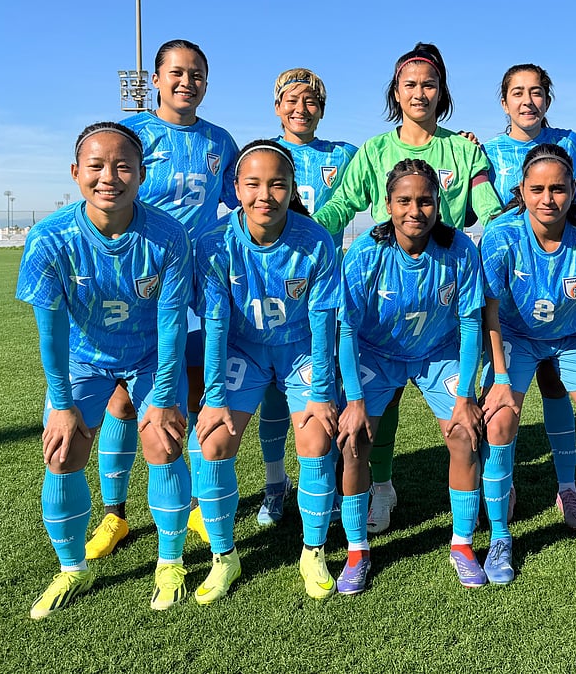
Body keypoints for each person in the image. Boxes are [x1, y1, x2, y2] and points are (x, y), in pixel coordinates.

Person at [312, 43, 502, 535]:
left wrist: (532, 227)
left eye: (429, 85)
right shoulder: (375, 151)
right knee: (379, 406)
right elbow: (341, 206)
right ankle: (380, 487)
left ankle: (489, 491)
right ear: (396, 93)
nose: (420, 93)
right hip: (385, 300)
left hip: (443, 297)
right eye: (410, 85)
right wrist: (306, 233)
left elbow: (491, 210)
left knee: (466, 412)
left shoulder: (465, 149)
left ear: (443, 93)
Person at [17, 122, 194, 618]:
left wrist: (161, 396)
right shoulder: (48, 238)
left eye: (122, 166)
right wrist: (63, 405)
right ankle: (71, 569)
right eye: (95, 166)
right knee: (61, 450)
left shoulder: (168, 235)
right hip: (83, 359)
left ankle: (170, 561)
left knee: (164, 442)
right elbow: (50, 335)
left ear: (142, 174)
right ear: (76, 173)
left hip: (150, 356)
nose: (108, 176)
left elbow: (172, 323)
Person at [86, 39, 240, 559]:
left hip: (196, 285)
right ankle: (115, 515)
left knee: (189, 397)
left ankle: (194, 505)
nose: (187, 81)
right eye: (176, 72)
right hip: (137, 286)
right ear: (154, 79)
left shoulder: (220, 141)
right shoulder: (134, 136)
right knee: (123, 400)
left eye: (197, 73)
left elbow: (239, 202)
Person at [192, 139, 343, 602]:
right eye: (253, 183)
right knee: (213, 440)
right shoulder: (213, 242)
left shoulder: (313, 239)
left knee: (316, 436)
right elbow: (215, 325)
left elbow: (322, 322)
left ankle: (313, 551)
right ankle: (224, 556)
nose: (265, 195)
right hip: (244, 349)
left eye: (277, 183)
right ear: (235, 187)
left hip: (299, 349)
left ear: (292, 186)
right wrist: (214, 396)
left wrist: (321, 391)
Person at [480, 144, 576, 585]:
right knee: (498, 420)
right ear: (521, 191)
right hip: (515, 337)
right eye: (538, 189)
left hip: (573, 338)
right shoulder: (500, 234)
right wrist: (500, 379)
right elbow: (489, 311)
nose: (549, 198)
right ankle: (501, 539)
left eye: (559, 189)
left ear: (573, 189)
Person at [336, 159, 486, 590]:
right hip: (377, 355)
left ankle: (462, 544)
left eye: (425, 200)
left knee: (464, 434)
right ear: (387, 204)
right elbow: (346, 328)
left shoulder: (459, 249)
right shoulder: (366, 251)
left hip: (436, 355)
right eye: (404, 200)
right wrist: (356, 401)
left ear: (438, 204)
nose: (414, 210)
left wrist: (466, 396)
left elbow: (472, 323)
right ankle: (357, 551)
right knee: (354, 440)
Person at [480, 63, 576, 530]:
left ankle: (566, 488)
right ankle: (503, 485)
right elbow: (479, 204)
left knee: (556, 387)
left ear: (548, 99)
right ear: (504, 100)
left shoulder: (573, 143)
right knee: (503, 401)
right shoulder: (486, 151)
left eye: (536, 92)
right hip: (513, 290)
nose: (527, 100)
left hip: (564, 287)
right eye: (517, 92)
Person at [251, 68, 360, 528]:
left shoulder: (345, 155)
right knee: (275, 396)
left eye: (311, 101)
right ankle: (276, 485)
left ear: (323, 108)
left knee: (325, 392)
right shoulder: (258, 155)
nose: (301, 108)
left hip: (322, 292)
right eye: (291, 101)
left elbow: (397, 170)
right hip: (269, 292)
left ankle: (328, 485)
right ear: (277, 107)